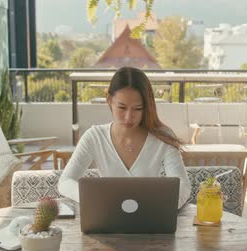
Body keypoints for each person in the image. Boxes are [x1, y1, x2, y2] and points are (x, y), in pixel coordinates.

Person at [58, 67, 191, 208]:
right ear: (109, 101)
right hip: (107, 218)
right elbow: (66, 181)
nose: (128, 117)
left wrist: (156, 206)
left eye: (138, 108)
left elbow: (183, 187)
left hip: (151, 221)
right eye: (122, 107)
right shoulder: (94, 137)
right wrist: (95, 199)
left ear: (147, 107)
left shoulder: (163, 137)